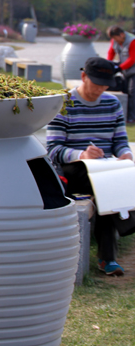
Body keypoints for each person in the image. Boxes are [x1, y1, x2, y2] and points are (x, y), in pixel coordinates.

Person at [47, 57, 134, 276]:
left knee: (107, 185)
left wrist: (125, 155)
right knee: (107, 186)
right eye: (96, 83)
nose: (100, 89)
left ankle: (109, 257)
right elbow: (54, 150)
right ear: (83, 76)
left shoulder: (112, 103)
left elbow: (120, 142)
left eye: (105, 85)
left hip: (105, 169)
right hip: (73, 170)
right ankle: (110, 254)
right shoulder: (63, 103)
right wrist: (82, 154)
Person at [106, 25, 135, 123]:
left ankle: (132, 117)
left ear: (121, 34)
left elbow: (132, 59)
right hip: (126, 71)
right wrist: (109, 64)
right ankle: (125, 115)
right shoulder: (115, 41)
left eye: (115, 38)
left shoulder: (132, 41)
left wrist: (119, 68)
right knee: (125, 90)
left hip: (133, 71)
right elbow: (111, 52)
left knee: (132, 92)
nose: (115, 40)